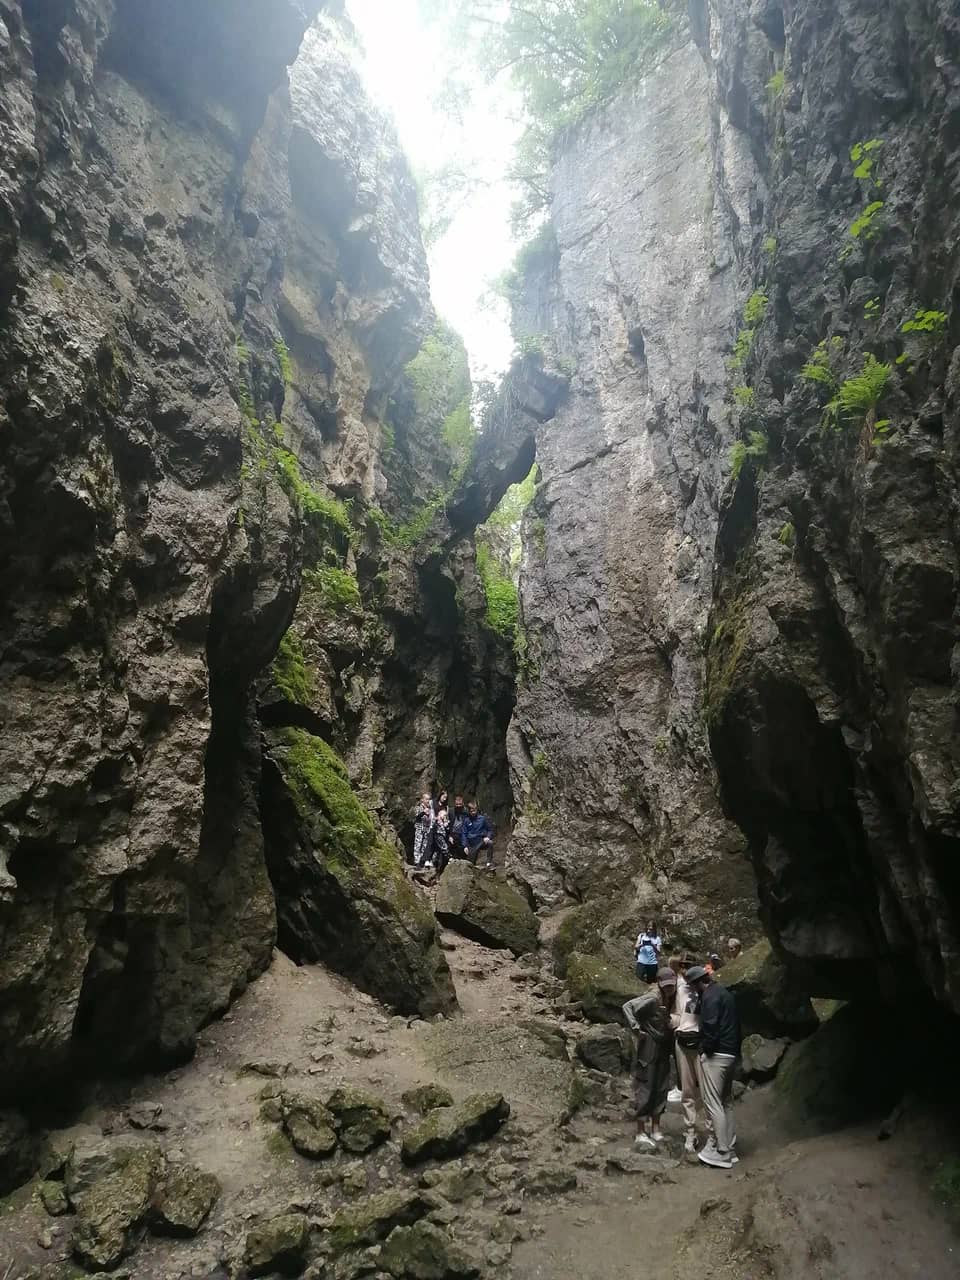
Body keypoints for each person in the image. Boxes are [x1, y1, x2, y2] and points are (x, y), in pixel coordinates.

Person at [684, 964, 741, 1169]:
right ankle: (730, 1149)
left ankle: (722, 1151)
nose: (692, 990)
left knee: (713, 1102)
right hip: (731, 1053)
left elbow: (710, 1026)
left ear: (698, 982)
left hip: (716, 1055)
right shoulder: (724, 993)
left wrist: (703, 1050)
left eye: (692, 986)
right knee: (726, 1102)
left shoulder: (709, 997)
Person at [623, 968, 677, 1150]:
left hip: (663, 1046)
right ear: (660, 984)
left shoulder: (671, 998)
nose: (669, 988)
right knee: (646, 1086)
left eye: (671, 985)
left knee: (661, 1086)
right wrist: (636, 1028)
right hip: (649, 1046)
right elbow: (628, 1007)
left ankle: (655, 1128)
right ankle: (640, 1131)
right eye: (666, 986)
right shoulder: (652, 998)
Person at [672, 953, 703, 1154]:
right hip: (682, 1040)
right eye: (682, 965)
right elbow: (677, 1013)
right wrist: (672, 1022)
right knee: (687, 1090)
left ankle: (712, 1132)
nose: (684, 969)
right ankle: (690, 1131)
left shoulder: (704, 988)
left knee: (706, 1091)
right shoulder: (678, 988)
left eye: (688, 965)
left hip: (701, 1042)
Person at [461, 801, 494, 870]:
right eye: (471, 811)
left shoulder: (482, 819)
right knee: (471, 864)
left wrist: (488, 837)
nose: (473, 813)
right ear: (469, 811)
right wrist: (465, 846)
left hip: (481, 841)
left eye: (474, 811)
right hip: (471, 843)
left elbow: (490, 830)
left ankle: (489, 863)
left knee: (490, 843)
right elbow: (464, 834)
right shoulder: (466, 820)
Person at [412, 791, 434, 867]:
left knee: (424, 845)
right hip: (419, 829)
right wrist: (423, 812)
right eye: (426, 799)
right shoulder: (418, 807)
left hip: (427, 829)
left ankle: (422, 860)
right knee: (418, 844)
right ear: (422, 800)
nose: (428, 801)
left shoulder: (430, 809)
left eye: (429, 799)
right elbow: (416, 817)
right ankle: (416, 860)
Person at [432, 805, 450, 875]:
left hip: (443, 836)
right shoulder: (436, 820)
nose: (445, 816)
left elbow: (447, 828)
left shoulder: (445, 821)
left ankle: (436, 867)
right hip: (438, 835)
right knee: (444, 848)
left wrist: (445, 822)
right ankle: (449, 858)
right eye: (443, 815)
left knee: (438, 852)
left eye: (445, 815)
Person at [448, 795, 466, 859]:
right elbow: (447, 825)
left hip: (462, 834)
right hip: (452, 834)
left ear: (463, 803)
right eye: (457, 804)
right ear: (454, 803)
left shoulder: (466, 812)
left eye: (460, 804)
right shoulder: (450, 811)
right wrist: (449, 836)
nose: (458, 806)